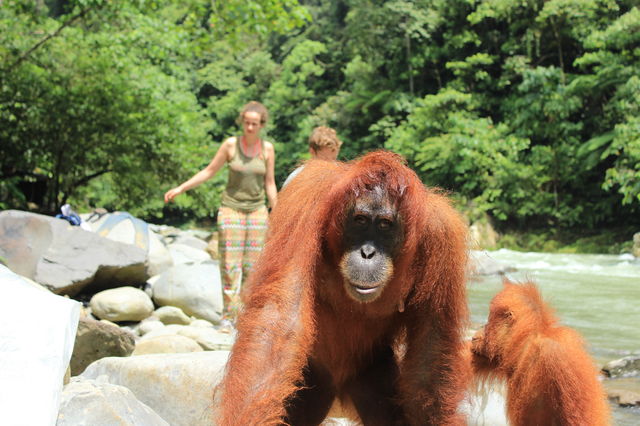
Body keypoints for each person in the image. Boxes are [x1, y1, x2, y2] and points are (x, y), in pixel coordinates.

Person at [164, 101, 277, 327]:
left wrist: (280, 210)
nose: (250, 128)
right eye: (247, 123)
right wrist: (181, 188)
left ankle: (245, 319)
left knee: (252, 268)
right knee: (229, 265)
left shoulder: (267, 149)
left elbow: (270, 183)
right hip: (231, 210)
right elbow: (209, 171)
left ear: (261, 125)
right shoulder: (231, 145)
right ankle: (228, 317)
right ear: (242, 123)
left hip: (256, 212)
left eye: (255, 124)